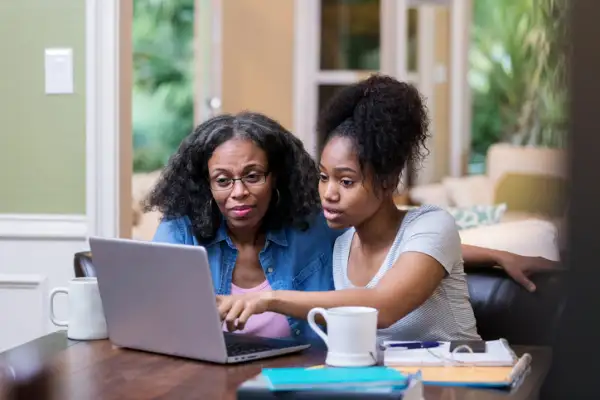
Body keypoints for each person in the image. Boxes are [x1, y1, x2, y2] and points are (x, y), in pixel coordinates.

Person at [147, 110, 557, 340]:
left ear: (277, 178)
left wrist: (499, 254)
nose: (238, 192)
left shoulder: (312, 227)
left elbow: (400, 247)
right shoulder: (181, 232)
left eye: (253, 176)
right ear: (206, 183)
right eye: (223, 181)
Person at [215, 76, 512, 341]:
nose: (328, 194)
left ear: (388, 180)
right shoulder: (340, 242)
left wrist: (270, 299)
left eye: (346, 181)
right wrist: (495, 254)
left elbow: (383, 305)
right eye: (323, 177)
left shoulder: (432, 225)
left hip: (457, 381)